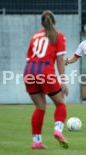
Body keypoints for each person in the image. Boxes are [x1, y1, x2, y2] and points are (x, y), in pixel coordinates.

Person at [23, 10, 69, 149]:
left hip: (29, 71)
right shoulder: (58, 36)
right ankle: (58, 131)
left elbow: (28, 58)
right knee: (61, 103)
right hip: (45, 71)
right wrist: (63, 81)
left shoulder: (35, 37)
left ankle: (36, 141)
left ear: (42, 23)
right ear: (54, 22)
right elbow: (60, 60)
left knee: (40, 107)